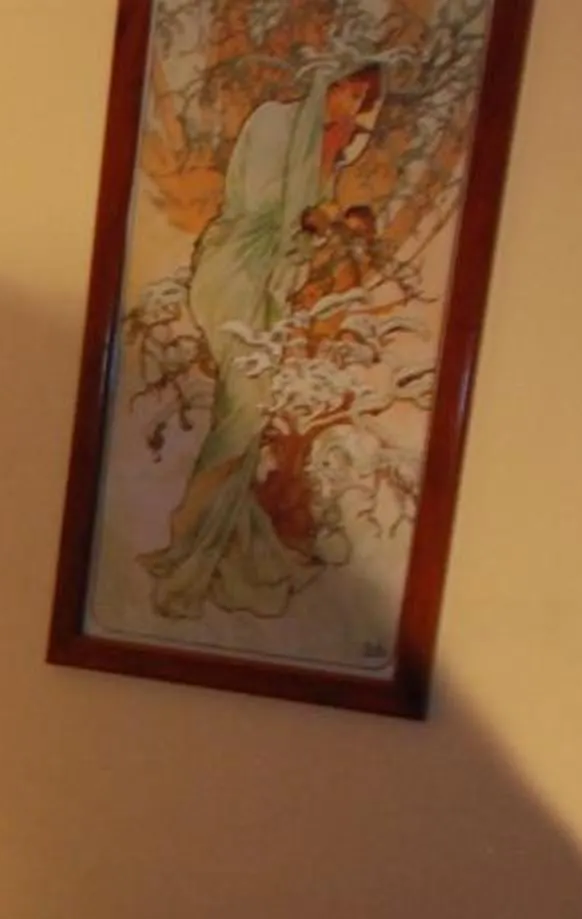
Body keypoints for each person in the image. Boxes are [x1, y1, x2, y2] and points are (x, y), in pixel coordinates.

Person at [142, 61, 386, 623]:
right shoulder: (276, 122)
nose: (351, 106)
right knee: (243, 401)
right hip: (233, 270)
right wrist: (311, 216)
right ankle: (191, 534)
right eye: (350, 90)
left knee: (249, 408)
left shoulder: (330, 147)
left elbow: (305, 227)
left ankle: (210, 535)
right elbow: (256, 204)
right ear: (334, 83)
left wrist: (326, 220)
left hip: (271, 281)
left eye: (361, 100)